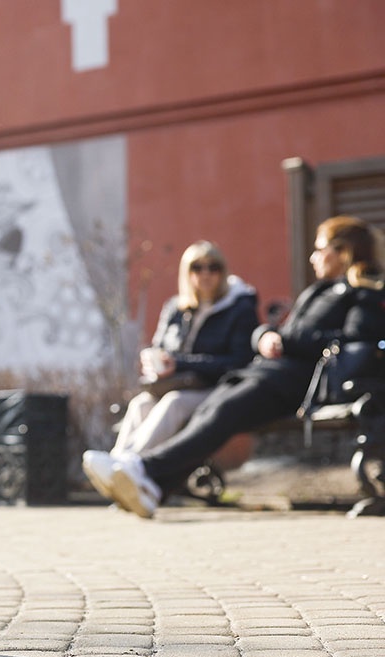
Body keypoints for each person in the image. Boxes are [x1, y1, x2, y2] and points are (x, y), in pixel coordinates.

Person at [84, 215, 385, 518]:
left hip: (295, 384)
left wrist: (284, 340)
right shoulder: (319, 291)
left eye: (320, 249)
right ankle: (154, 489)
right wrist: (265, 335)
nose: (313, 256)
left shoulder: (365, 291)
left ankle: (142, 467)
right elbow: (282, 332)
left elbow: (354, 341)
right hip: (267, 373)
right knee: (210, 414)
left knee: (222, 413)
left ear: (343, 252)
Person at [110, 241, 258, 458]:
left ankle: (131, 464)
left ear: (223, 271)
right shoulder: (175, 307)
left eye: (213, 267)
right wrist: (154, 360)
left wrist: (179, 364)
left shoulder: (239, 308)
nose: (205, 274)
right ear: (187, 273)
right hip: (174, 384)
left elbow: (240, 362)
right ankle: (116, 462)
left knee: (174, 403)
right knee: (140, 404)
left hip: (216, 389)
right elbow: (160, 347)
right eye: (197, 267)